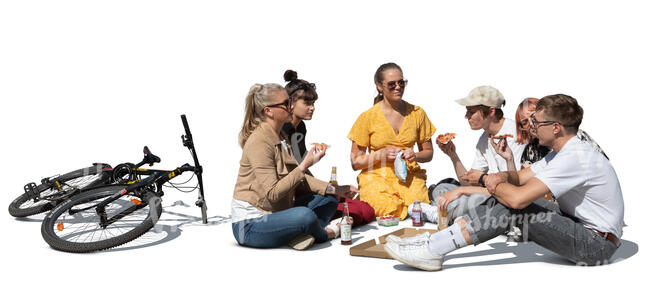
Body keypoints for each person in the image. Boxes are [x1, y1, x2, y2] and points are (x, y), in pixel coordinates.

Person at [384, 94, 624, 270]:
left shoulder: (574, 157)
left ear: (556, 128)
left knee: (515, 208)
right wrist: (500, 177)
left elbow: (518, 199)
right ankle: (434, 242)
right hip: (580, 225)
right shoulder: (561, 151)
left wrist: (488, 180)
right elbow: (520, 177)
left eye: (537, 124)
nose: (532, 128)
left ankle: (434, 249)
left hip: (595, 245)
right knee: (502, 196)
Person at [231, 83, 358, 250]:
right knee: (305, 216)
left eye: (290, 101)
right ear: (268, 111)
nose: (291, 106)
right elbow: (273, 193)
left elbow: (300, 179)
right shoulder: (259, 142)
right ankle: (325, 233)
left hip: (277, 213)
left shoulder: (281, 135)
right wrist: (304, 165)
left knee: (329, 197)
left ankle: (301, 233)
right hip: (250, 225)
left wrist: (336, 189)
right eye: (286, 103)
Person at [281, 69, 376, 226]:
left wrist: (329, 187)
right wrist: (327, 189)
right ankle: (314, 227)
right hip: (289, 194)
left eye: (313, 103)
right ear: (290, 104)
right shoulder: (281, 130)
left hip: (304, 185)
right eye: (307, 103)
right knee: (352, 209)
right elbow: (292, 171)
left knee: (366, 210)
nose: (312, 108)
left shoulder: (301, 127)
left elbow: (302, 165)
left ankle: (328, 220)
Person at [348, 62, 435, 220]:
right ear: (379, 86)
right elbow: (355, 162)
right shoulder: (367, 117)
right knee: (384, 208)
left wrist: (415, 155)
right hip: (377, 175)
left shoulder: (417, 113)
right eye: (392, 84)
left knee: (418, 204)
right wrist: (380, 155)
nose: (398, 87)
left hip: (409, 174)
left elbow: (428, 153)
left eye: (401, 82)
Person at [432, 86, 526, 225]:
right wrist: (453, 156)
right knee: (442, 189)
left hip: (506, 199)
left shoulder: (514, 135)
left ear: (491, 111)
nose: (466, 116)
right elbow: (467, 181)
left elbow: (514, 190)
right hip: (489, 193)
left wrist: (462, 190)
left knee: (474, 200)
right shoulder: (484, 138)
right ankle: (453, 214)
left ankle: (441, 214)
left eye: (471, 112)